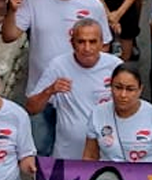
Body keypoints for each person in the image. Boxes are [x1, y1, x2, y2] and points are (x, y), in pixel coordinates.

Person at [1, 0, 110, 96]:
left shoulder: (93, 5)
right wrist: (12, 11)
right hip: (40, 89)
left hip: (77, 91)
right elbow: (9, 36)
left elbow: (104, 46)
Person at [27, 19, 121, 158]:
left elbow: (133, 107)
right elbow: (31, 108)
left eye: (92, 42)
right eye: (81, 42)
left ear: (102, 43)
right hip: (68, 156)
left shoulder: (115, 66)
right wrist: (49, 91)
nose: (87, 48)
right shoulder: (58, 66)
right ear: (72, 43)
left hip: (107, 155)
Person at [83, 62, 152, 163]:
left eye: (130, 89)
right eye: (118, 87)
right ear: (111, 87)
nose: (123, 95)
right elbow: (90, 156)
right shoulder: (98, 113)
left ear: (140, 90)